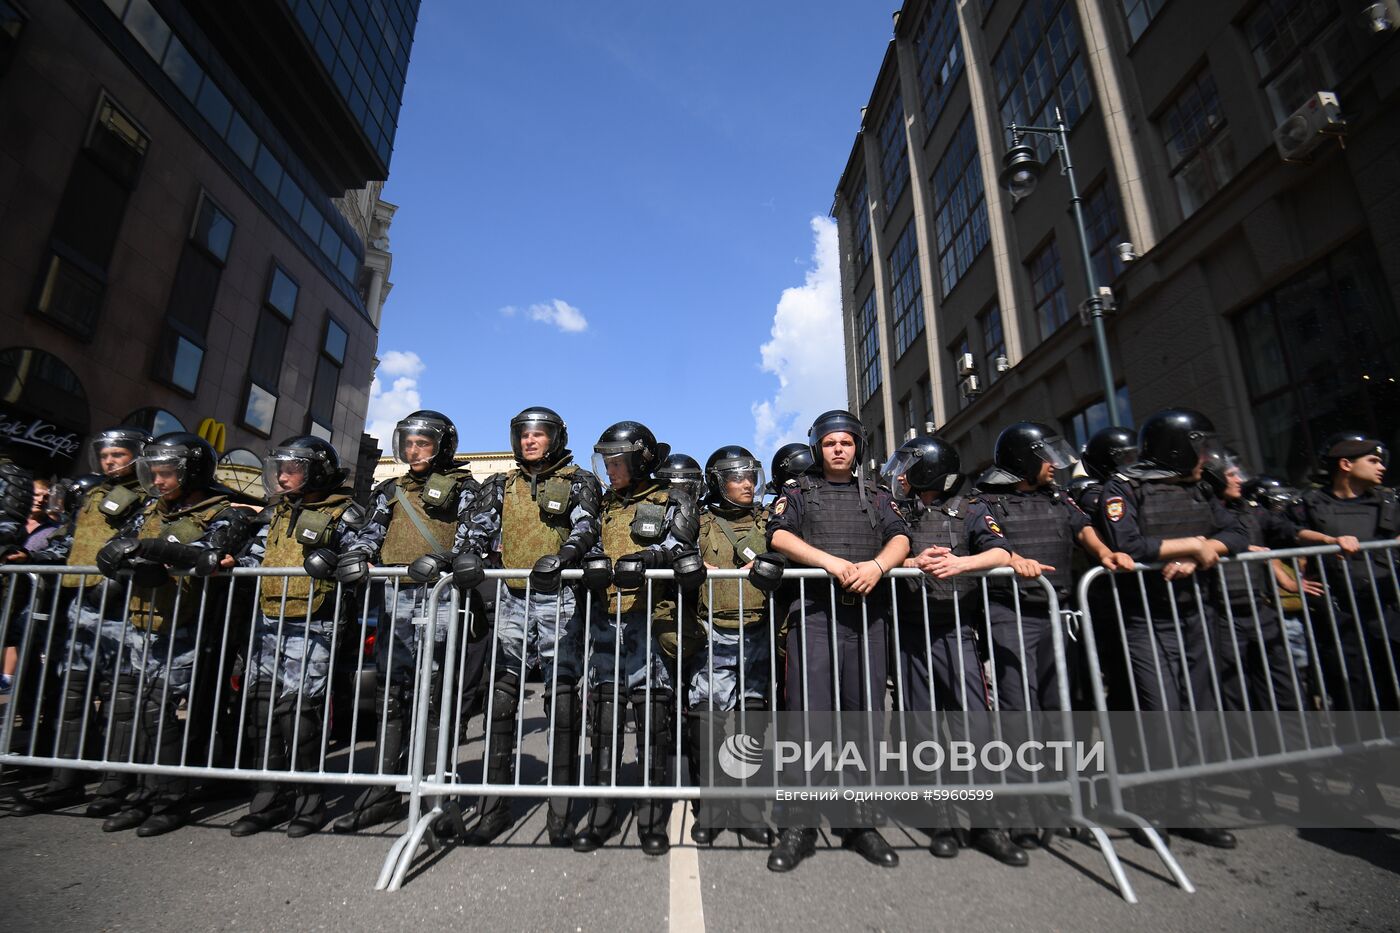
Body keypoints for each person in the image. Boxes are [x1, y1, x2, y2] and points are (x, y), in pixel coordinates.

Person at [762, 409, 909, 872]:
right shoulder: (799, 492)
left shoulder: (879, 495)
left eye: (845, 442)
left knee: (864, 719)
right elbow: (779, 535)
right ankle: (800, 825)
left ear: (857, 447)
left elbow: (901, 538)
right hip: (815, 616)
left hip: (867, 618)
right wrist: (829, 562)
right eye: (830, 444)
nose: (838, 449)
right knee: (810, 720)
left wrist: (877, 566)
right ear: (818, 449)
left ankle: (859, 821)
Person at [88, 432, 256, 836]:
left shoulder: (226, 510)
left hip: (193, 624)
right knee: (137, 711)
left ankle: (171, 800)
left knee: (164, 714)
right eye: (154, 472)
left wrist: (148, 549)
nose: (158, 481)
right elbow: (116, 546)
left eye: (166, 473)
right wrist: (129, 557)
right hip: (144, 620)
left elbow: (208, 553)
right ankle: (142, 795)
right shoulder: (150, 507)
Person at [1095, 408, 1247, 848]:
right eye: (1200, 448)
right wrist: (1193, 545)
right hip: (1146, 618)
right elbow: (1128, 543)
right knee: (1159, 714)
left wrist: (1209, 548)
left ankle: (1188, 805)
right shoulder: (1124, 487)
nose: (1207, 457)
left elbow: (1237, 529)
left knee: (1196, 712)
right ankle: (1153, 806)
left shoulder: (1199, 487)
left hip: (1196, 613)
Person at [454, 406, 601, 846]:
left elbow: (588, 526)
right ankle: (493, 808)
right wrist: (467, 553)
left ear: (556, 438)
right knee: (501, 698)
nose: (530, 441)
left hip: (560, 597)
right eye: (523, 434)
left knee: (561, 699)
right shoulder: (501, 483)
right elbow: (476, 528)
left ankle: (561, 813)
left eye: (539, 434)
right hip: (512, 598)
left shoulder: (579, 481)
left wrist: (567, 555)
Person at [228, 436, 385, 838]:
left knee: (299, 716)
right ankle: (267, 800)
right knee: (261, 713)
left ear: (314, 471)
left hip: (315, 623)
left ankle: (308, 803)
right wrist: (228, 562)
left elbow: (363, 550)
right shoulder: (276, 514)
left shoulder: (345, 513)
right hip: (267, 621)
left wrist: (342, 560)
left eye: (291, 469)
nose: (282, 476)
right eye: (279, 468)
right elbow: (256, 557)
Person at [334, 410, 479, 833]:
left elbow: (473, 536)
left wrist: (443, 558)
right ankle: (383, 791)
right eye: (409, 443)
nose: (413, 451)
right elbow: (370, 531)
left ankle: (434, 794)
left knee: (435, 695)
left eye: (423, 443)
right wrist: (357, 555)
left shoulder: (465, 488)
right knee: (392, 693)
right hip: (395, 599)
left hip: (441, 596)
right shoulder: (389, 489)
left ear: (441, 447)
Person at [573, 420, 705, 856]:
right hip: (605, 623)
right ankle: (602, 813)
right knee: (605, 722)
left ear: (640, 458)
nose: (609, 469)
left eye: (616, 461)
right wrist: (588, 562)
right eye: (605, 461)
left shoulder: (673, 499)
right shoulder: (605, 504)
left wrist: (649, 557)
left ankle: (652, 817)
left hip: (650, 622)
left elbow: (684, 547)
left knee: (654, 724)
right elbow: (586, 539)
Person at [13, 427, 152, 815]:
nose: (109, 461)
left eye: (118, 455)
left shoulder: (149, 499)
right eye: (105, 455)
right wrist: (31, 557)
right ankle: (65, 780)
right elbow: (69, 541)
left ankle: (115, 784)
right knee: (70, 696)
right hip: (77, 605)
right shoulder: (91, 496)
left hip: (121, 610)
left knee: (120, 701)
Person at [686, 445, 775, 847]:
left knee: (752, 723)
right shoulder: (699, 522)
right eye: (736, 477)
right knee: (709, 725)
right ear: (717, 483)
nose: (747, 483)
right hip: (714, 633)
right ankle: (712, 808)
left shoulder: (772, 520)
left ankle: (747, 809)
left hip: (758, 631)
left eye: (750, 476)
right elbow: (674, 550)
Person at [1294, 434, 1400, 714]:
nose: (1382, 467)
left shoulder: (1388, 502)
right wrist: (1327, 543)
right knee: (1352, 691)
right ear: (1346, 464)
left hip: (1386, 613)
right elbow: (1277, 532)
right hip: (1339, 615)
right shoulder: (1311, 503)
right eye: (1373, 460)